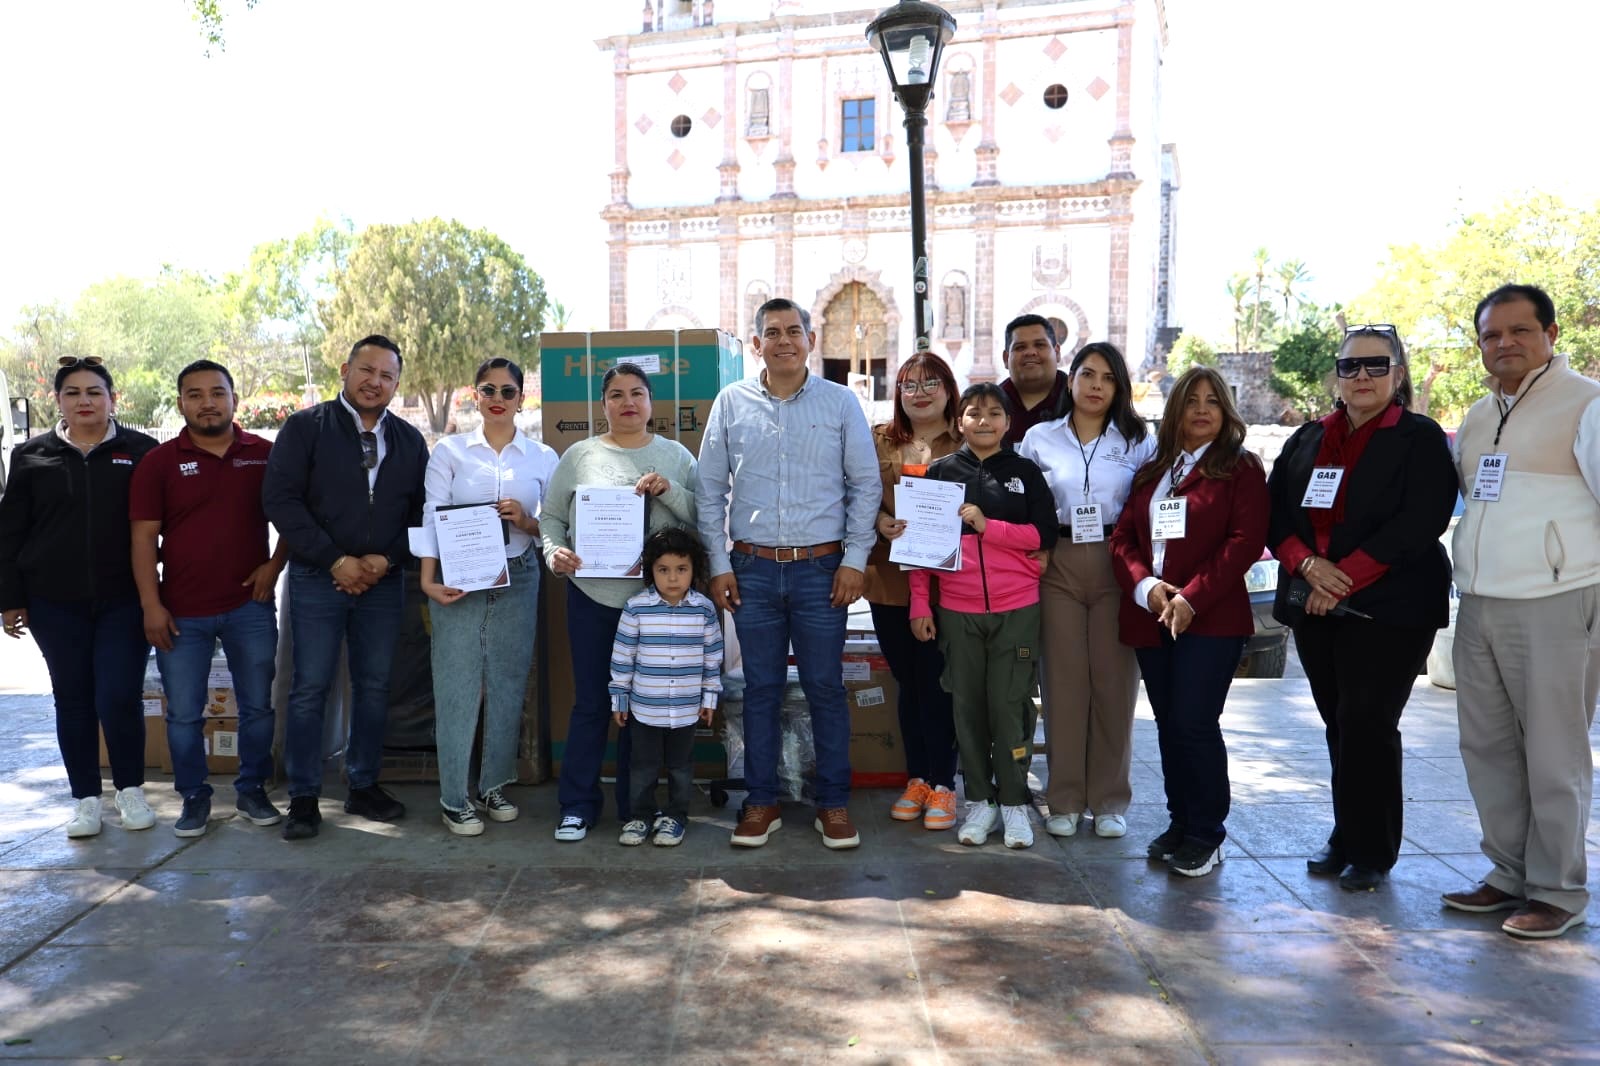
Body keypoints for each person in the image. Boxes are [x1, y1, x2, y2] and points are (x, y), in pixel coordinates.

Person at [1266, 326, 1456, 891]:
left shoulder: (1419, 437)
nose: (1363, 376)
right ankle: (1347, 833)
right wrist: (1306, 565)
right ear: (1337, 376)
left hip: (1390, 608)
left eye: (1377, 365)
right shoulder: (1308, 438)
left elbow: (1421, 520)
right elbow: (1274, 514)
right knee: (1339, 725)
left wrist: (1341, 578)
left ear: (1398, 374)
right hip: (1315, 602)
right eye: (1351, 366)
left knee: (1368, 724)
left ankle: (1373, 849)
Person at [1441, 283, 1600, 939]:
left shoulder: (1587, 403)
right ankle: (1507, 874)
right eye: (1491, 335)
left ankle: (1558, 889)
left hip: (1557, 602)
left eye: (1519, 331)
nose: (1504, 343)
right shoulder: (1480, 415)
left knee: (1554, 754)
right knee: (1488, 748)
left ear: (1551, 335)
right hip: (1480, 603)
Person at [697, 296, 880, 850]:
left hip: (822, 571)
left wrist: (854, 560)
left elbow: (865, 485)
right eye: (772, 332)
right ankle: (761, 802)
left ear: (810, 340)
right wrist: (719, 564)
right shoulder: (731, 403)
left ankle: (833, 804)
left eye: (793, 331)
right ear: (757, 344)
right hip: (751, 570)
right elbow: (710, 490)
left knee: (825, 687)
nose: (783, 341)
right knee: (761, 690)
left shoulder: (839, 403)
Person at [262, 334, 428, 841]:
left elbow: (421, 512)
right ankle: (304, 796)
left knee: (374, 686)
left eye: (387, 376)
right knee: (310, 687)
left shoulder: (409, 440)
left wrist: (386, 558)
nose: (375, 382)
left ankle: (363, 784)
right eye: (367, 371)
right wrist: (335, 560)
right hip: (318, 577)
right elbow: (281, 500)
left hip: (382, 581)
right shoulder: (305, 428)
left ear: (396, 384)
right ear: (345, 370)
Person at [1109, 366, 1267, 878]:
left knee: (1194, 724)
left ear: (1226, 411)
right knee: (1169, 725)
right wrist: (1147, 588)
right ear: (1175, 410)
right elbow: (1123, 539)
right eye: (1192, 400)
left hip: (1211, 619)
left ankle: (1207, 833)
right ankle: (1181, 822)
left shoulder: (1241, 468)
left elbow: (1244, 542)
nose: (1202, 409)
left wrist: (1191, 598)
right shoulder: (1154, 470)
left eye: (1212, 401)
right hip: (1153, 615)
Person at [0, 357, 159, 838]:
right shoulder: (31, 455)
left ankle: (130, 790)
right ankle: (85, 800)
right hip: (53, 603)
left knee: (118, 696)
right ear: (58, 400)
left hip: (124, 600)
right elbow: (10, 532)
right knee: (73, 699)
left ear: (113, 399)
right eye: (73, 393)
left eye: (94, 392)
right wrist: (10, 598)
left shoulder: (142, 451)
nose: (84, 401)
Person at [129, 359, 289, 838]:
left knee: (258, 707)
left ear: (234, 399)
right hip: (181, 613)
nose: (207, 403)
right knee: (183, 714)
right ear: (181, 403)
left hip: (249, 607)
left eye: (217, 393)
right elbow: (142, 540)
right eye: (195, 395)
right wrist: (151, 605)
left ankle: (252, 790)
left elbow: (295, 517)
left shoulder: (264, 455)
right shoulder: (158, 463)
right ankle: (194, 797)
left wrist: (274, 565)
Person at [542, 363, 699, 842]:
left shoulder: (675, 457)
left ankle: (637, 808)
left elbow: (702, 519)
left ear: (651, 403)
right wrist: (554, 552)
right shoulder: (579, 456)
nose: (627, 402)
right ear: (603, 404)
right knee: (593, 703)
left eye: (636, 393)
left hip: (656, 606)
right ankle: (577, 806)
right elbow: (550, 518)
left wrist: (669, 489)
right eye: (616, 394)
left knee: (642, 711)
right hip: (592, 598)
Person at [909, 384, 1057, 849]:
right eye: (974, 413)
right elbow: (921, 546)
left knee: (1010, 707)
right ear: (960, 422)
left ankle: (1013, 802)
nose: (984, 421)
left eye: (994, 413)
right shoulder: (939, 473)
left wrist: (988, 527)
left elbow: (1043, 534)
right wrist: (919, 603)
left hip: (1017, 607)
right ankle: (979, 801)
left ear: (1008, 423)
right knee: (967, 708)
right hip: (957, 609)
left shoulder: (1025, 473)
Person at [1019, 341, 1156, 840]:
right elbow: (1024, 502)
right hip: (1057, 561)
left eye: (1108, 378)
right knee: (1063, 684)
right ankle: (1065, 799)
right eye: (1088, 374)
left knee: (1114, 685)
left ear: (1119, 387)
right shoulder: (1039, 438)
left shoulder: (1139, 441)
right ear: (1070, 379)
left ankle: (1109, 800)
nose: (1097, 386)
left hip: (1117, 563)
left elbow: (1151, 503)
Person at [419, 357, 557, 837]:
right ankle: (454, 798)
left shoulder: (542, 457)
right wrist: (427, 580)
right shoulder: (450, 451)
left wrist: (526, 521)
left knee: (508, 682)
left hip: (519, 574)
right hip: (459, 578)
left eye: (507, 391)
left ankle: (493, 784)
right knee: (455, 685)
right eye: (488, 390)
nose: (498, 399)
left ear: (522, 398)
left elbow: (556, 526)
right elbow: (432, 514)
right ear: (474, 396)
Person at [866, 353, 961, 830]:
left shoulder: (966, 437)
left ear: (948, 389)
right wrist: (879, 520)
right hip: (890, 578)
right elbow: (855, 492)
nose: (919, 393)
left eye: (930, 383)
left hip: (951, 583)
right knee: (909, 681)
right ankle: (917, 778)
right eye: (909, 385)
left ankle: (944, 783)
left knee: (940, 683)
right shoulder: (879, 439)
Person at [609, 527, 724, 847]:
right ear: (651, 571)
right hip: (645, 707)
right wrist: (620, 700)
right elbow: (623, 656)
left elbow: (713, 658)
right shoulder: (636, 608)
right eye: (663, 570)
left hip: (687, 709)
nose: (673, 578)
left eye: (681, 569)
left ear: (694, 570)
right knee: (642, 767)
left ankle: (676, 817)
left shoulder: (704, 609)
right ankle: (640, 817)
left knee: (680, 767)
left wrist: (709, 698)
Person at [998, 314, 1069, 445]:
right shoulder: (990, 404)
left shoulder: (1078, 401)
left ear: (1057, 352)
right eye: (1020, 347)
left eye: (1039, 345)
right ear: (1006, 359)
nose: (1030, 352)